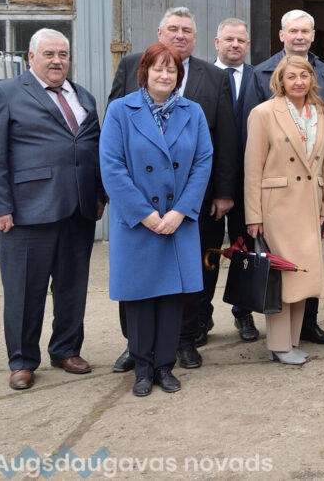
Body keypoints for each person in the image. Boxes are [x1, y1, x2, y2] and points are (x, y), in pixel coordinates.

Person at [0, 28, 105, 391]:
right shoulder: (4, 94)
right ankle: (22, 360)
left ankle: (66, 349)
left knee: (72, 288)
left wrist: (99, 194)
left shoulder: (83, 96)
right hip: (27, 211)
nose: (57, 61)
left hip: (78, 210)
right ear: (31, 57)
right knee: (24, 291)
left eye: (63, 54)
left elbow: (93, 148)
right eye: (49, 54)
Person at [108, 7, 238, 372]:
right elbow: (112, 147)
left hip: (192, 201)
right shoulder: (130, 67)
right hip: (140, 204)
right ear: (159, 33)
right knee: (137, 277)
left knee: (192, 273)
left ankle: (186, 338)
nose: (180, 35)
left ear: (196, 38)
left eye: (187, 30)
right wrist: (129, 205)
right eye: (173, 29)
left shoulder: (214, 77)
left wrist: (222, 192)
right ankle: (135, 346)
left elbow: (224, 138)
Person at [100, 43, 214, 396]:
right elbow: (112, 166)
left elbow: (202, 162)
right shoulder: (121, 110)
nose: (165, 75)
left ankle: (165, 366)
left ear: (179, 76)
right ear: (145, 72)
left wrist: (180, 212)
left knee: (171, 297)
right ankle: (142, 368)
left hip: (178, 221)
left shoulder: (192, 112)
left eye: (172, 70)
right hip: (137, 222)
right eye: (158, 68)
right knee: (139, 297)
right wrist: (146, 215)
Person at [239, 8, 324, 345]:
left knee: (303, 277)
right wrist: (253, 215)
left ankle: (295, 339)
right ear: (279, 80)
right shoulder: (263, 111)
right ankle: (279, 344)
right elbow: (252, 166)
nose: (298, 81)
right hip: (277, 207)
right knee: (280, 276)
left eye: (304, 76)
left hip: (309, 206)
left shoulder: (319, 111)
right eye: (291, 77)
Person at [211, 17, 258, 342]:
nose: (235, 45)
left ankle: (243, 312)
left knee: (245, 251)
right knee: (208, 251)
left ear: (248, 45)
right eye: (229, 39)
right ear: (217, 42)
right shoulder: (200, 77)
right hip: (209, 186)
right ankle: (201, 316)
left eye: (241, 40)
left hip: (249, 184)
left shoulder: (259, 78)